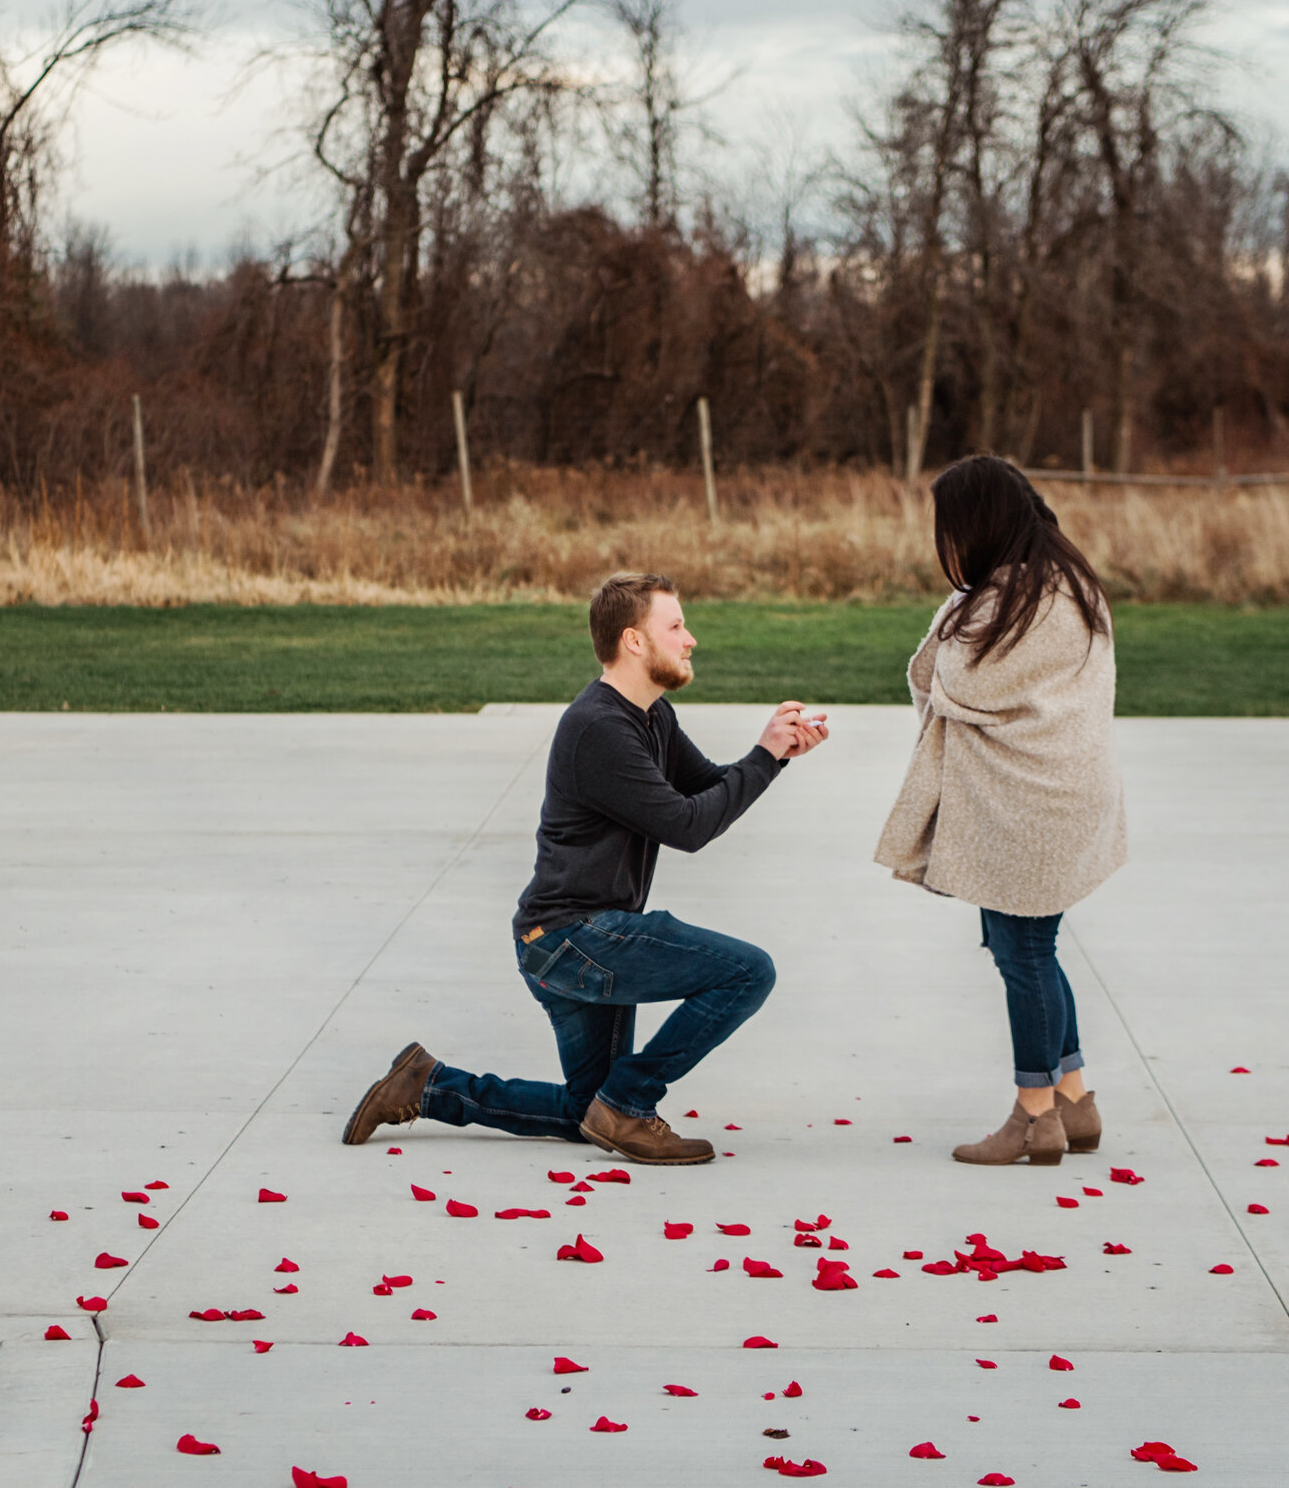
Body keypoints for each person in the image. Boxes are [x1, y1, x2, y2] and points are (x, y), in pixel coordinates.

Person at [344, 571, 829, 1165]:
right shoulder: (599, 727)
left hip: (570, 938)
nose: (690, 638)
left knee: (585, 1115)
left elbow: (706, 787)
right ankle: (630, 1104)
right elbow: (688, 827)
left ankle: (429, 1086)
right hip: (573, 939)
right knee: (748, 973)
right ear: (633, 640)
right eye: (675, 626)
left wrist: (775, 754)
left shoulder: (651, 715)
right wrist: (762, 756)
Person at [875, 455, 1127, 1167]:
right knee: (1030, 948)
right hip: (1057, 795)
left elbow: (954, 678)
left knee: (1024, 955)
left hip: (1028, 804)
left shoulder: (1012, 599)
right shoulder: (1065, 581)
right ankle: (1076, 1100)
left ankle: (1033, 1115)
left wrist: (954, 614)